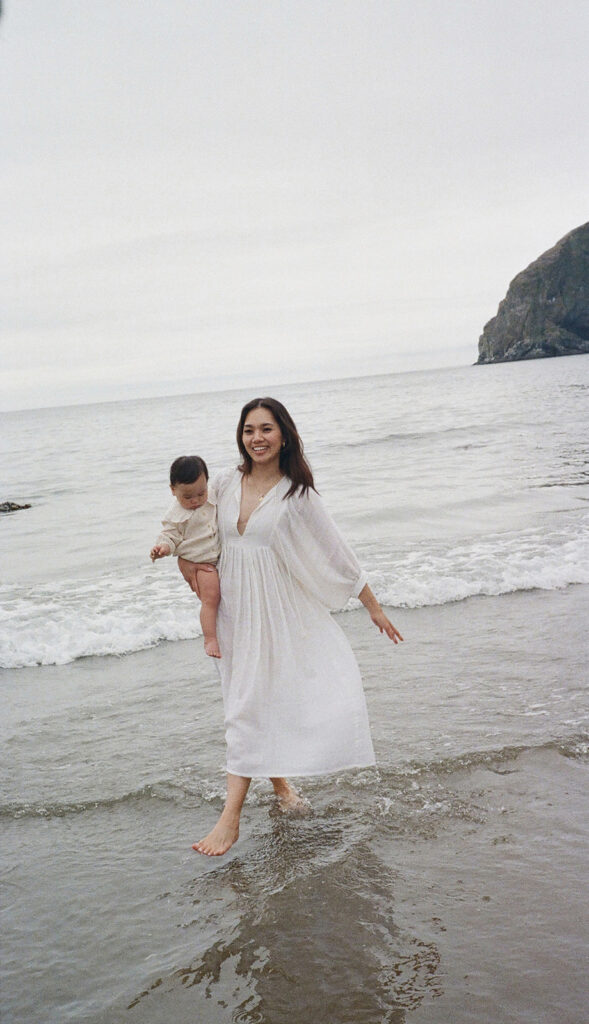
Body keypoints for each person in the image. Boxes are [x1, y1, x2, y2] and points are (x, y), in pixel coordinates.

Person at [178, 398, 403, 856]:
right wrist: (186, 567)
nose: (256, 438)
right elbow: (191, 518)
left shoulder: (297, 493)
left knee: (252, 703)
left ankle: (230, 818)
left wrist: (373, 607)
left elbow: (335, 551)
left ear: (283, 434)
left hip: (275, 610)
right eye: (248, 430)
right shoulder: (223, 481)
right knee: (244, 701)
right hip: (231, 610)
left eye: (265, 429)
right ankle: (281, 787)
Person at [150, 455, 222, 659]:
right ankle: (210, 638)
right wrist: (162, 548)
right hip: (201, 563)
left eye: (201, 493)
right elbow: (169, 536)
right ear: (173, 490)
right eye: (188, 497)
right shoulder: (175, 515)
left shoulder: (213, 497)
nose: (196, 500)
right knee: (211, 598)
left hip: (220, 556)